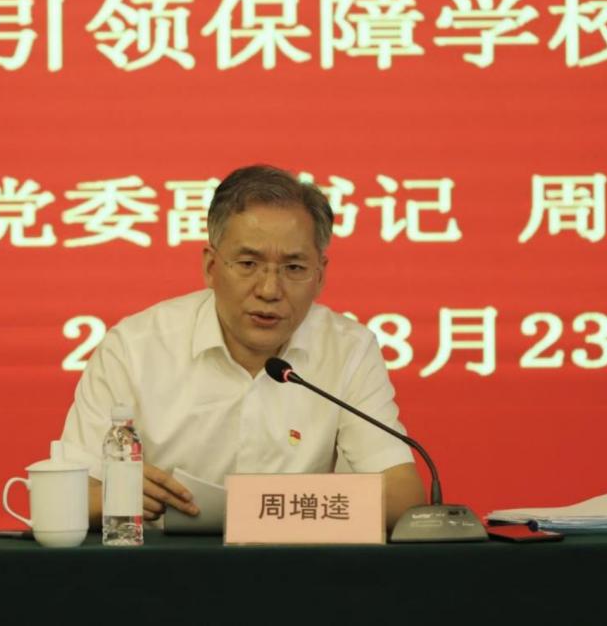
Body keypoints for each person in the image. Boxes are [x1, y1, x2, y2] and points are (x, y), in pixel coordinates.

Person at [61, 164, 426, 528]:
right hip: (165, 561)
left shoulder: (348, 348)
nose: (269, 290)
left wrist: (268, 509)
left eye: (294, 268)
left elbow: (402, 496)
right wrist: (118, 495)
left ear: (320, 276)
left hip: (295, 559)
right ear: (211, 267)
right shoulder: (134, 348)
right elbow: (64, 496)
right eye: (249, 263)